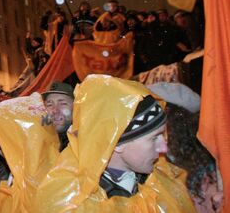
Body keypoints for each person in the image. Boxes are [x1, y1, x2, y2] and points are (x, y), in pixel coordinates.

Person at [33, 75, 196, 212]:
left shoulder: (162, 178)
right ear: (116, 143)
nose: (164, 147)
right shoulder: (69, 201)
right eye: (154, 138)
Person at [42, 82, 74, 151]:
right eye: (49, 105)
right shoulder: (43, 143)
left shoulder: (84, 141)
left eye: (63, 103)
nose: (55, 110)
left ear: (75, 107)